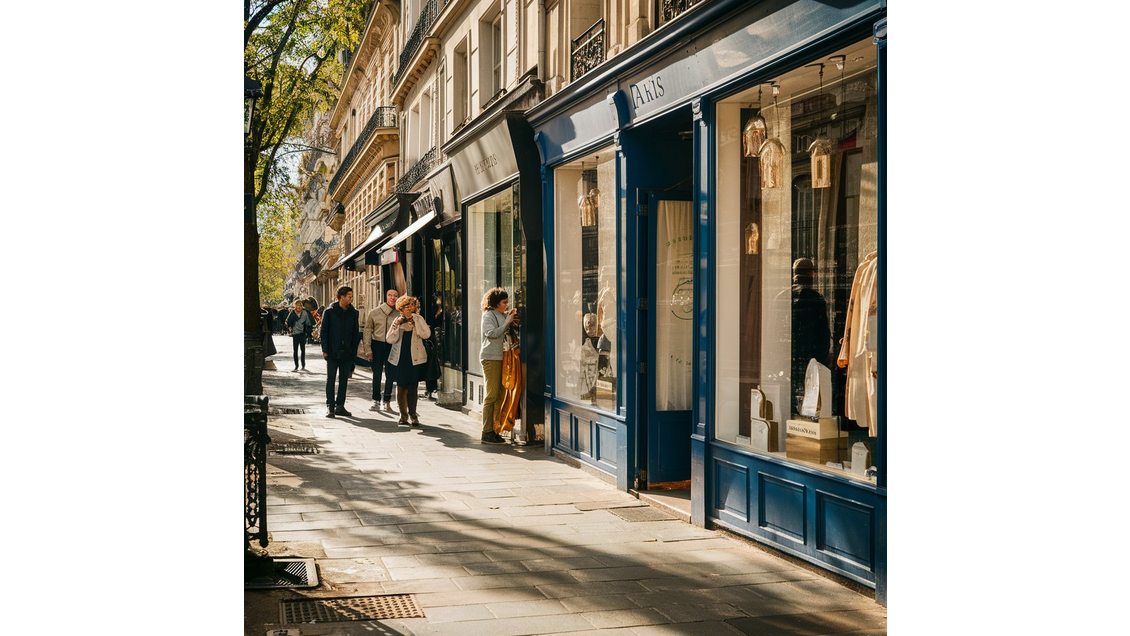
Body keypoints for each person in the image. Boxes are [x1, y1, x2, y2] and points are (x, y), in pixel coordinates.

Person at [479, 287, 518, 444]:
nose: (506, 304)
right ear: (495, 303)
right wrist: (507, 323)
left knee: (500, 395)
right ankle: (486, 431)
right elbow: (491, 333)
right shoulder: (488, 315)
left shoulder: (502, 314)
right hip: (491, 358)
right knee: (492, 395)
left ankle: (495, 429)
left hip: (503, 358)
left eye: (507, 302)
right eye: (504, 302)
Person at [385, 295, 431, 426]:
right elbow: (390, 339)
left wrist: (415, 325)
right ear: (401, 308)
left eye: (411, 306)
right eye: (406, 306)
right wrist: (396, 326)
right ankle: (403, 415)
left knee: (413, 387)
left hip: (415, 358)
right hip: (400, 358)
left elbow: (427, 334)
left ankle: (413, 415)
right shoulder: (397, 320)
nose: (409, 309)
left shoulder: (418, 319)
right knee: (401, 387)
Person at [320, 286, 360, 418]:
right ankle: (330, 406)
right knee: (330, 379)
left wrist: (353, 352)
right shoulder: (330, 311)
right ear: (341, 297)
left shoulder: (354, 313)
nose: (351, 298)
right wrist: (325, 350)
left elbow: (355, 334)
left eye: (351, 296)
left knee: (344, 380)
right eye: (349, 296)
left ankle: (340, 406)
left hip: (347, 352)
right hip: (332, 351)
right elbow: (324, 332)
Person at [363, 288, 399, 412]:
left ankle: (387, 400)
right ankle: (376, 400)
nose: (393, 298)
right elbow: (367, 331)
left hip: (392, 346)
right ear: (386, 296)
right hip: (377, 345)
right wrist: (368, 349)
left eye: (395, 296)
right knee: (377, 373)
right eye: (390, 295)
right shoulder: (374, 313)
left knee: (391, 373)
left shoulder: (399, 314)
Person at [423, 293, 445, 400]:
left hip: (432, 342)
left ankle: (430, 388)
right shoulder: (435, 316)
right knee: (431, 366)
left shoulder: (432, 316)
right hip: (432, 342)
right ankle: (431, 388)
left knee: (431, 366)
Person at [287, 299, 315, 370]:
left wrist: (307, 329)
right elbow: (288, 321)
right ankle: (296, 365)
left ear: (302, 306)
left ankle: (303, 364)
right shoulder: (293, 313)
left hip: (302, 334)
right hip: (295, 334)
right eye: (297, 305)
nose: (299, 307)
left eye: (300, 305)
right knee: (295, 350)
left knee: (303, 350)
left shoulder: (305, 313)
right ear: (295, 306)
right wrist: (290, 328)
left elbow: (309, 323)